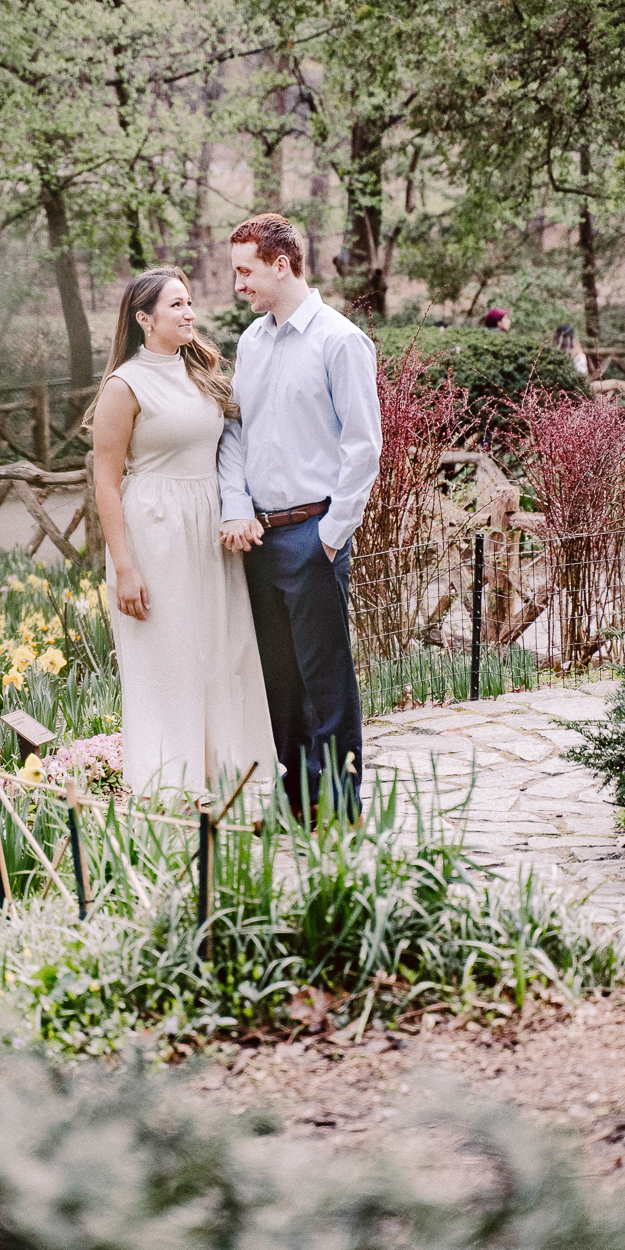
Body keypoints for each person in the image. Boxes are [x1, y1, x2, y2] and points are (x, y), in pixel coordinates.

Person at [89, 267, 276, 798]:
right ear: (144, 319)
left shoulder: (203, 371)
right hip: (155, 532)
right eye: (176, 305)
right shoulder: (124, 386)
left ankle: (228, 778)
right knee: (170, 659)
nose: (190, 313)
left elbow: (231, 444)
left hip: (207, 527)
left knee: (221, 651)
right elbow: (105, 482)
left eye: (189, 302)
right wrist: (125, 568)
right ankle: (171, 787)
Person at [218, 214, 381, 815]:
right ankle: (296, 805)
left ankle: (339, 810)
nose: (239, 285)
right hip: (258, 537)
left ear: (281, 265)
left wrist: (332, 536)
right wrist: (237, 507)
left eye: (246, 271)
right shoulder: (250, 342)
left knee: (326, 683)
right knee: (279, 684)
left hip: (314, 534)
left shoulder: (340, 341)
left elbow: (363, 447)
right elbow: (235, 433)